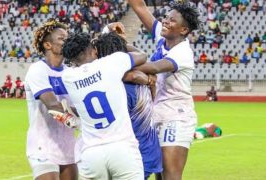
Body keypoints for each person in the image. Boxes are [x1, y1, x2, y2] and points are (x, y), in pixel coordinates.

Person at [128, 1, 200, 179]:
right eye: (166, 17)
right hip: (157, 113)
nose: (166, 21)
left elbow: (153, 67)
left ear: (183, 30)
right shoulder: (163, 39)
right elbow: (140, 7)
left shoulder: (182, 52)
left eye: (172, 20)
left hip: (176, 116)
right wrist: (121, 43)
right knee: (159, 174)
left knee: (170, 174)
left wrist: (121, 65)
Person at [61, 32, 147, 179]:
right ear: (94, 50)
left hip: (91, 154)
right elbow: (142, 55)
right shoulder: (113, 62)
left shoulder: (67, 77)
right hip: (122, 148)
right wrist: (122, 43)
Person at [94, 31, 163, 180]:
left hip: (133, 154)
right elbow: (140, 54)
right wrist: (122, 44)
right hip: (149, 148)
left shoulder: (118, 87)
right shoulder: (140, 76)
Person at [24, 19, 77, 180]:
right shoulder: (38, 70)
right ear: (47, 45)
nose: (66, 41)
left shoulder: (70, 72)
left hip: (68, 145)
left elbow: (78, 105)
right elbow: (52, 105)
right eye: (61, 38)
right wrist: (81, 118)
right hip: (43, 145)